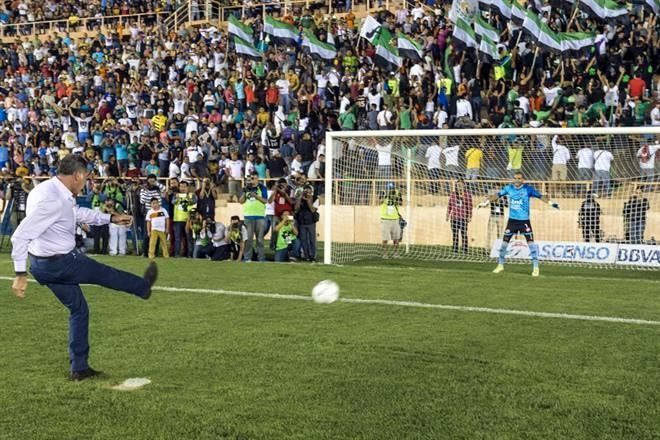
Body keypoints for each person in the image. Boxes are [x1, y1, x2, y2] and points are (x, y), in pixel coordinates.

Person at [10, 155, 158, 381]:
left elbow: (76, 214)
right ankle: (143, 288)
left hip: (42, 265)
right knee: (106, 274)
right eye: (86, 178)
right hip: (61, 263)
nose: (86, 182)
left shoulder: (48, 190)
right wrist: (19, 273)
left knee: (79, 310)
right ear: (77, 175)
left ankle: (79, 368)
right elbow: (20, 235)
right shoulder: (54, 199)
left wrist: (110, 218)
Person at [478, 171, 560, 276]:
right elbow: (497, 195)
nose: (517, 180)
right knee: (503, 244)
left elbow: (540, 196)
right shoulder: (508, 188)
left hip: (524, 221)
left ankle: (535, 267)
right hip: (512, 221)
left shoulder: (528, 189)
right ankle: (500, 265)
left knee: (531, 244)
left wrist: (551, 203)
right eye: (515, 178)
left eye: (519, 178)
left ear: (522, 179)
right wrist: (485, 202)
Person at [446, 179, 473, 254]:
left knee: (464, 234)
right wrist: (448, 215)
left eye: (461, 185)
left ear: (464, 186)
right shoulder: (453, 194)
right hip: (454, 217)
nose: (459, 186)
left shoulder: (467, 195)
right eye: (458, 185)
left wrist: (469, 216)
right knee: (455, 234)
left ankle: (465, 250)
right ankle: (455, 250)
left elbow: (470, 206)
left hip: (463, 218)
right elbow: (449, 205)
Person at [380, 183, 403, 259]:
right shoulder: (383, 192)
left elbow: (401, 203)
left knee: (396, 239)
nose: (391, 190)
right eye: (389, 188)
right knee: (385, 239)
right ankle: (384, 254)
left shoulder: (397, 193)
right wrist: (386, 195)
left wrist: (396, 198)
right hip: (385, 218)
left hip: (395, 218)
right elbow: (380, 201)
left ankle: (396, 253)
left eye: (392, 188)